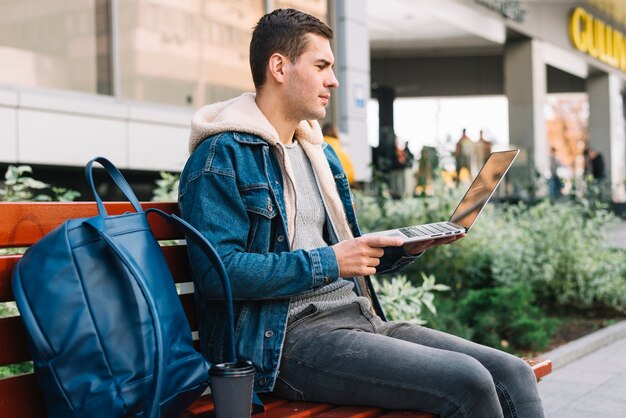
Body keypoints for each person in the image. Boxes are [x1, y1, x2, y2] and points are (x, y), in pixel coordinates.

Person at [179, 8, 545, 418]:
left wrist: (400, 248)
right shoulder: (222, 155)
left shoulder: (318, 154)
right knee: (469, 381)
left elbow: (342, 254)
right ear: (279, 67)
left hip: (358, 318)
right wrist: (331, 262)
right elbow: (218, 273)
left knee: (514, 372)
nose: (333, 80)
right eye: (321, 66)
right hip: (284, 339)